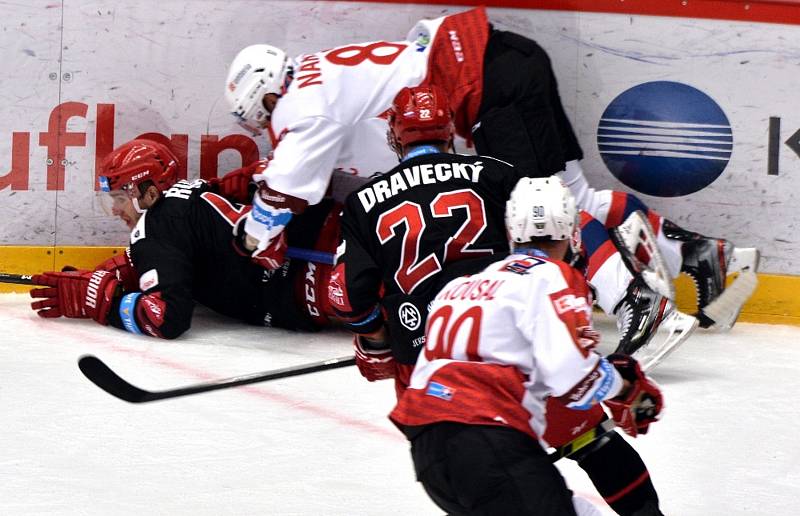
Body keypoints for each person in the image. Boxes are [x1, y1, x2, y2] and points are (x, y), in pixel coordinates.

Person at [225, 6, 758, 330]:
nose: (269, 125)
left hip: (482, 83)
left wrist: (253, 235)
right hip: (508, 58)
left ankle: (636, 304)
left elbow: (283, 194)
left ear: (267, 95)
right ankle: (709, 259)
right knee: (580, 199)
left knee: (550, 210)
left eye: (261, 115)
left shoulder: (301, 103)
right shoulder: (322, 73)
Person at [329, 85, 692, 392]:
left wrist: (376, 342)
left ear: (394, 133)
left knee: (447, 445)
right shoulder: (491, 171)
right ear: (449, 129)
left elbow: (346, 294)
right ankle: (632, 297)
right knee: (555, 207)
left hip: (427, 347)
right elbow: (556, 217)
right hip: (510, 328)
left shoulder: (363, 200)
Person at [389, 176, 665, 515]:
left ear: (511, 232)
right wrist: (625, 388)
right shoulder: (555, 276)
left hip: (429, 454)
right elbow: (572, 379)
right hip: (490, 440)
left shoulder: (459, 286)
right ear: (574, 233)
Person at [28, 139, 339, 339]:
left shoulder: (154, 229)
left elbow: (167, 318)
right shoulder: (192, 192)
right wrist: (125, 268)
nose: (115, 210)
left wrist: (104, 303)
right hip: (338, 227)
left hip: (315, 285)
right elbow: (193, 249)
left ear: (149, 193)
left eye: (120, 199)